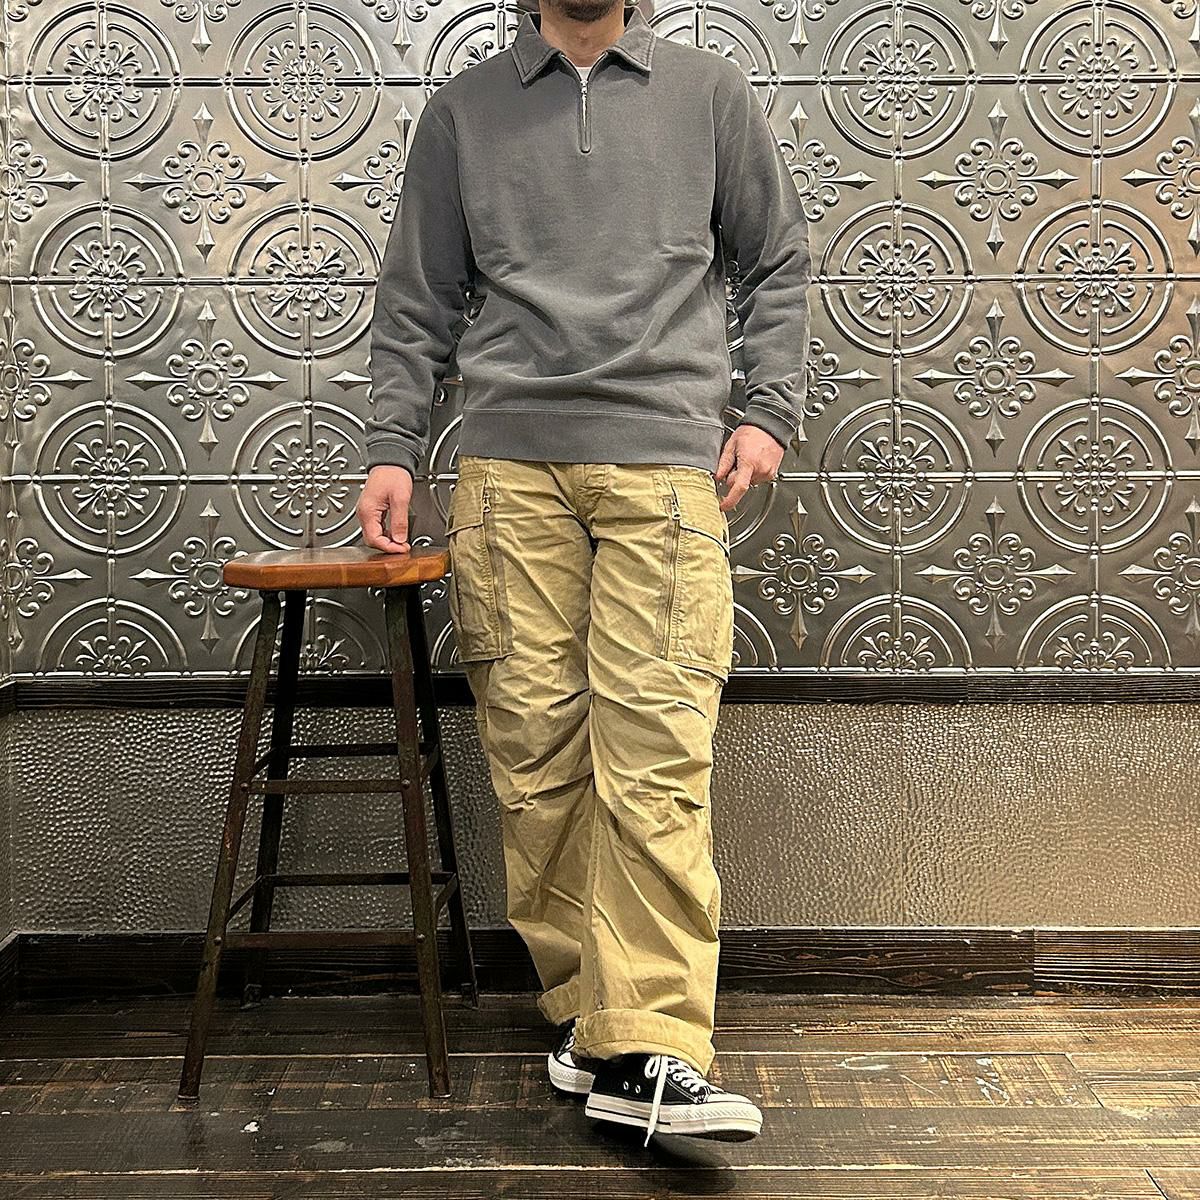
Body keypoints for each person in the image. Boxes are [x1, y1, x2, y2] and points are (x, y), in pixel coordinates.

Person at [357, 0, 812, 1144]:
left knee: (656, 755)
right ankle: (587, 1019)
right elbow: (416, 296)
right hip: (507, 473)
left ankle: (650, 1042)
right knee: (537, 757)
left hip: (666, 472)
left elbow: (778, 259)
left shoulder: (711, 95)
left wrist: (769, 411)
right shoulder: (463, 113)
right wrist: (392, 447)